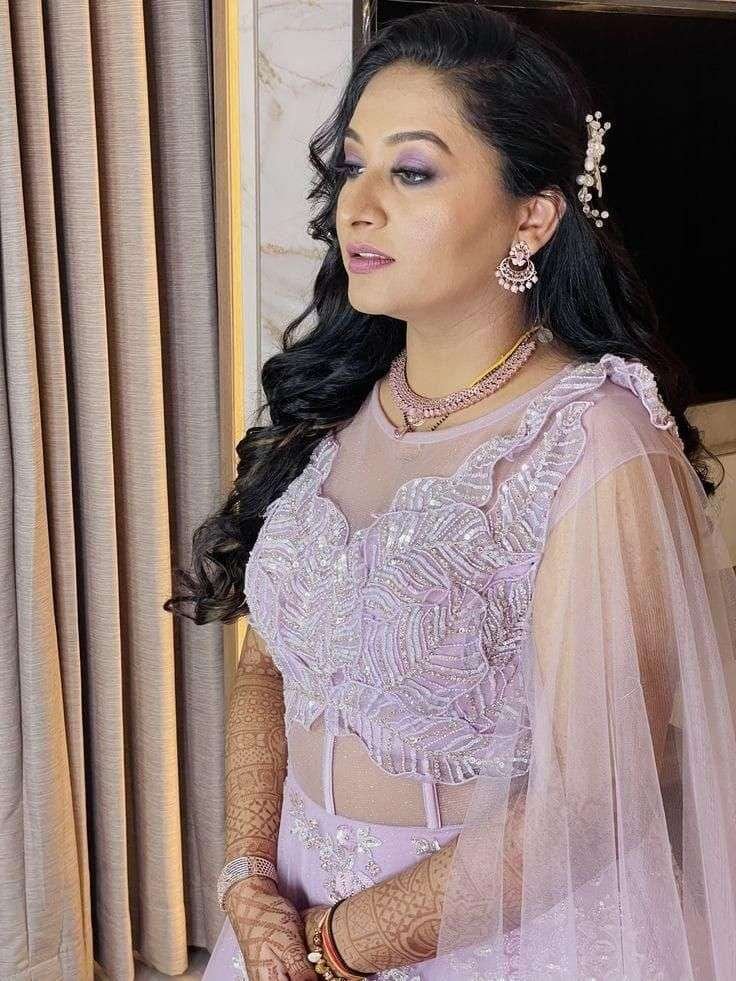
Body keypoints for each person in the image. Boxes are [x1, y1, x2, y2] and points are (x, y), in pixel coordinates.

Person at [166, 4, 736, 978]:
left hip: (495, 937)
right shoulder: (339, 399)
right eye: (353, 165)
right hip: (287, 921)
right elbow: (271, 662)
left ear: (532, 216)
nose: (357, 206)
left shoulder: (591, 441)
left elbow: (588, 799)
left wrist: (336, 946)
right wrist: (249, 879)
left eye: (413, 171)